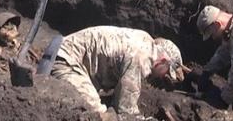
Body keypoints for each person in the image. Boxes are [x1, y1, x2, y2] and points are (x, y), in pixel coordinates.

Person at [51, 26, 186, 115]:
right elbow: (125, 109)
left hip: (64, 52)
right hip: (66, 61)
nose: (163, 76)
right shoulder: (141, 57)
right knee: (96, 114)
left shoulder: (144, 40)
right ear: (163, 61)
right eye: (167, 72)